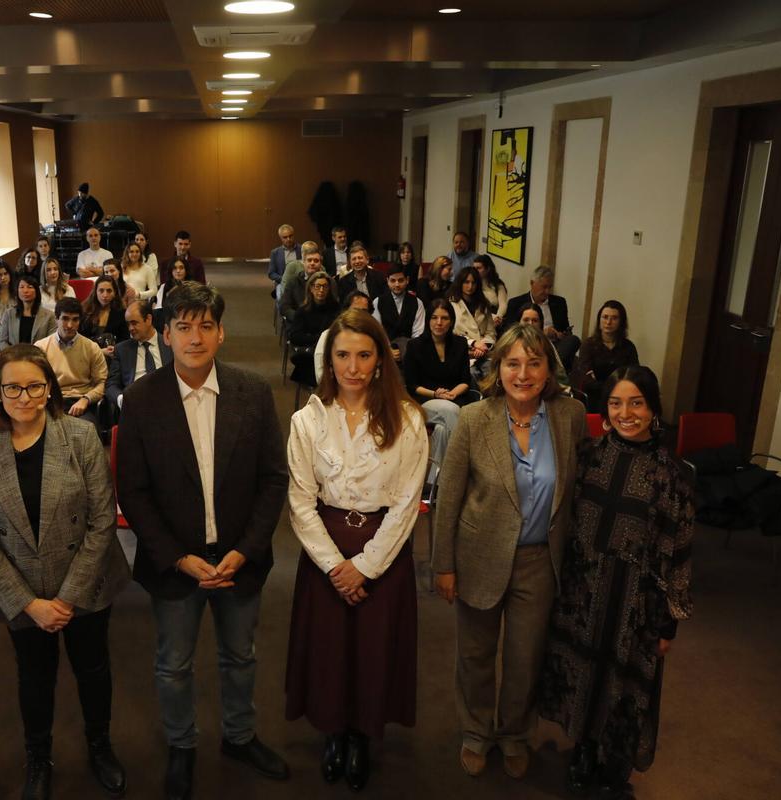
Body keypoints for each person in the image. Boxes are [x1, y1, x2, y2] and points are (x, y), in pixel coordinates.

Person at [115, 282, 289, 800]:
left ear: (222, 333)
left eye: (206, 326)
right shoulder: (142, 401)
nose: (196, 337)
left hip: (240, 558)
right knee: (174, 664)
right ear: (165, 335)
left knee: (241, 656)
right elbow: (134, 491)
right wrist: (178, 558)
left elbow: (273, 480)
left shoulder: (252, 393)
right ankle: (182, 746)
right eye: (184, 327)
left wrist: (247, 549)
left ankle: (239, 736)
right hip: (176, 564)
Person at [0, 344, 132, 800]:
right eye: (12, 387)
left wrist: (68, 596)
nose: (24, 396)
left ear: (49, 388)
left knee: (93, 670)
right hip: (23, 593)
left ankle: (100, 745)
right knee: (34, 678)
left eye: (35, 385)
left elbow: (101, 521)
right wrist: (28, 603)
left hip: (86, 584)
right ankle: (38, 757)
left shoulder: (79, 437)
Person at [431, 324, 586, 781]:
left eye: (534, 363)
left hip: (539, 562)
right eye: (513, 363)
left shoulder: (569, 416)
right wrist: (444, 565)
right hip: (479, 556)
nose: (523, 373)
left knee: (525, 657)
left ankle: (515, 733)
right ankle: (477, 732)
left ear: (548, 370)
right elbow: (449, 497)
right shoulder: (475, 419)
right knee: (476, 656)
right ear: (497, 369)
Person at [285, 310, 427, 792]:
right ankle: (333, 732)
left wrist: (364, 567)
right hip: (326, 548)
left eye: (364, 355)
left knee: (371, 652)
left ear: (381, 360)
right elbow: (301, 502)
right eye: (342, 355)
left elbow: (409, 503)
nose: (353, 366)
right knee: (330, 652)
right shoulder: (307, 419)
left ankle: (362, 736)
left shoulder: (407, 418)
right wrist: (334, 567)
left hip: (382, 551)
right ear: (328, 360)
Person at [538, 366, 694, 800]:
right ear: (604, 410)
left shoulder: (672, 478)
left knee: (625, 683)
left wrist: (668, 623)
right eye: (615, 403)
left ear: (654, 408)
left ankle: (614, 763)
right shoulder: (589, 457)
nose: (626, 413)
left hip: (637, 603)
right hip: (584, 592)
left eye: (637, 403)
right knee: (583, 670)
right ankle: (583, 749)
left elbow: (680, 551)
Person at [402, 300, 473, 491]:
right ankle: (465, 470)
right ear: (428, 320)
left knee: (442, 430)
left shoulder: (459, 343)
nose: (439, 322)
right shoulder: (415, 345)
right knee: (450, 411)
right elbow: (411, 385)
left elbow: (466, 379)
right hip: (423, 401)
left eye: (444, 318)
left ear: (451, 321)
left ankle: (436, 485)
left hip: (454, 399)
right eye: (434, 317)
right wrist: (436, 394)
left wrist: (451, 393)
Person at [35, 297, 107, 428]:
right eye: (65, 319)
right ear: (56, 319)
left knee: (89, 429)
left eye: (75, 319)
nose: (70, 325)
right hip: (51, 400)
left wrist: (86, 399)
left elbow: (101, 383)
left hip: (81, 400)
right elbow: (35, 382)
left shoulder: (91, 347)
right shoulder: (40, 347)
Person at [506, 265, 581, 370]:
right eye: (544, 287)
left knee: (574, 340)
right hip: (527, 344)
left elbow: (565, 329)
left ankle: (550, 365)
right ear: (532, 283)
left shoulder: (559, 302)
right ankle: (551, 368)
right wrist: (542, 332)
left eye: (549, 287)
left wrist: (560, 334)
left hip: (554, 346)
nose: (547, 291)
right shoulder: (516, 303)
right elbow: (509, 333)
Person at [572, 300, 640, 412]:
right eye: (605, 317)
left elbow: (634, 376)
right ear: (599, 320)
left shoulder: (628, 347)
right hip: (594, 397)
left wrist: (599, 377)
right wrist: (613, 385)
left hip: (622, 396)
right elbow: (587, 380)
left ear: (621, 322)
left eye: (614, 318)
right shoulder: (588, 345)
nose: (608, 322)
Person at [107, 300, 173, 410]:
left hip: (167, 403)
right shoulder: (122, 350)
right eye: (128, 324)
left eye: (134, 323)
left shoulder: (170, 344)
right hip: (135, 406)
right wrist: (121, 399)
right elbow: (111, 385)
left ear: (148, 319)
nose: (130, 328)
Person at [287, 271, 337, 386]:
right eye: (317, 286)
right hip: (310, 349)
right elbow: (295, 337)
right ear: (311, 288)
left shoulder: (335, 309)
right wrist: (319, 338)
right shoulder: (302, 311)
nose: (321, 290)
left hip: (329, 348)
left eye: (325, 286)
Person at [314, 291, 371, 384]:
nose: (359, 315)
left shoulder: (375, 337)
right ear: (346, 311)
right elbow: (321, 374)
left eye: (364, 311)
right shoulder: (328, 335)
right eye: (355, 310)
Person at [448, 266, 497, 371]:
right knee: (472, 374)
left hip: (484, 352)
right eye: (466, 282)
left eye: (473, 283)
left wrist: (484, 346)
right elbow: (451, 333)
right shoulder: (451, 304)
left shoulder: (484, 304)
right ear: (460, 283)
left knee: (492, 372)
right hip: (461, 352)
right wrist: (474, 343)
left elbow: (491, 332)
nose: (470, 286)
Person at [372, 267, 425, 359]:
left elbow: (418, 332)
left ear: (407, 280)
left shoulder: (417, 302)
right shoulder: (378, 302)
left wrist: (410, 351)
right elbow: (378, 331)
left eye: (400, 280)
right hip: (386, 350)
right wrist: (387, 350)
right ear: (387, 281)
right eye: (393, 281)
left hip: (411, 350)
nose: (397, 284)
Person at [516, 304, 572, 392]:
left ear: (540, 324)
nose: (530, 324)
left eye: (535, 320)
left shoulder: (546, 344)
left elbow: (560, 377)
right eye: (526, 320)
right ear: (518, 322)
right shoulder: (510, 343)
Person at [0, 274, 58, 349]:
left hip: (38, 356)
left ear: (37, 291)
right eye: (21, 287)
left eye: (30, 287)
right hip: (14, 356)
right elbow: (3, 341)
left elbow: (51, 343)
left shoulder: (49, 316)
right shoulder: (9, 314)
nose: (25, 291)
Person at [81, 274, 129, 357]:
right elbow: (80, 339)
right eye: (101, 291)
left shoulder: (121, 312)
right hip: (88, 354)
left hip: (113, 355)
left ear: (114, 293)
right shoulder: (85, 310)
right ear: (95, 292)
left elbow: (124, 339)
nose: (105, 295)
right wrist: (100, 351)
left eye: (109, 291)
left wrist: (115, 349)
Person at [280, 247, 326, 326]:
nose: (312, 263)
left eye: (316, 261)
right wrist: (299, 318)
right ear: (303, 262)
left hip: (322, 324)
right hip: (298, 323)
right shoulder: (293, 282)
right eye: (309, 260)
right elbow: (284, 307)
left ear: (320, 264)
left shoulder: (327, 282)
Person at [473, 255, 509, 328]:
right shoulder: (472, 283)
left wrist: (498, 317)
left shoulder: (498, 285)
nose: (475, 271)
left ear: (488, 269)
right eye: (474, 268)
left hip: (495, 318)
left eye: (479, 268)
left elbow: (503, 305)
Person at [155, 257, 190, 321]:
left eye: (181, 268)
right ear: (171, 271)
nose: (178, 271)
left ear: (186, 270)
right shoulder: (163, 287)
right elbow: (159, 308)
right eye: (175, 268)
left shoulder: (192, 286)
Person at [268, 224, 299, 293]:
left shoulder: (302, 249)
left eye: (290, 236)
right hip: (282, 283)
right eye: (285, 237)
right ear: (281, 238)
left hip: (299, 283)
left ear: (293, 235)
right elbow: (271, 273)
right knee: (281, 298)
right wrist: (284, 279)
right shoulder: (275, 253)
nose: (288, 239)